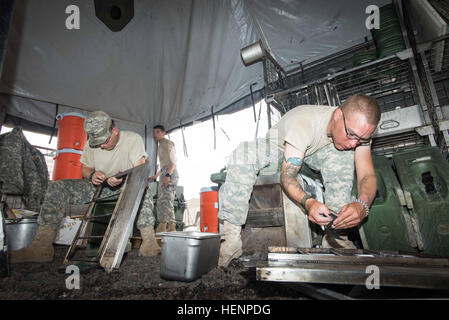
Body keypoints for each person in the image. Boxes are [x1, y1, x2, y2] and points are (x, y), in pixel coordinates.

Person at [218, 94, 381, 267]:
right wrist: (309, 203)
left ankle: (337, 238)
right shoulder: (305, 123)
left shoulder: (356, 133)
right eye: (351, 135)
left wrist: (362, 205)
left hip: (318, 151)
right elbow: (288, 176)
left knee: (343, 157)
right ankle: (230, 241)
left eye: (361, 139)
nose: (354, 143)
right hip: (277, 147)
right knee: (243, 155)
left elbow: (367, 176)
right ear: (338, 115)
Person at [11, 111, 160, 263]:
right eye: (98, 143)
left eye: (105, 141)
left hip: (127, 186)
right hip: (100, 187)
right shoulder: (91, 144)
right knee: (58, 186)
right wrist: (92, 175)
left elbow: (139, 172)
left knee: (144, 190)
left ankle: (149, 241)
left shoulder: (132, 139)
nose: (101, 146)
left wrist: (123, 178)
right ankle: (41, 247)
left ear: (114, 131)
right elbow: (85, 169)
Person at [149, 125, 179, 233]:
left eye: (157, 132)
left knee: (164, 200)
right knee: (166, 199)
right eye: (154, 132)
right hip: (165, 172)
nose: (155, 134)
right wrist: (156, 176)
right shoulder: (160, 145)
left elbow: (173, 162)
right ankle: (171, 226)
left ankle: (163, 225)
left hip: (170, 173)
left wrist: (168, 176)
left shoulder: (168, 143)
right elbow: (163, 166)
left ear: (163, 133)